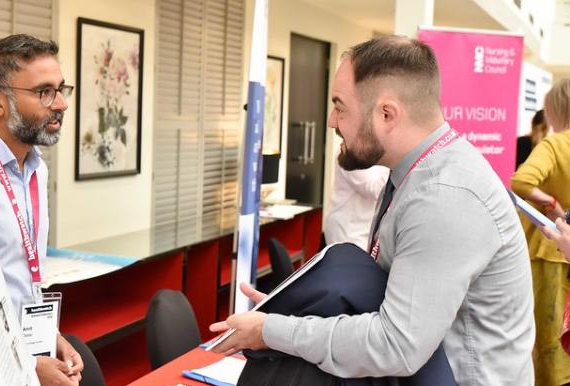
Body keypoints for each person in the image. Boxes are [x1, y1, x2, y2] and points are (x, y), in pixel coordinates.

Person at [210, 36, 535, 386]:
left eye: (340, 107)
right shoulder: (418, 173)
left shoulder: (443, 197)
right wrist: (298, 313)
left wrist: (271, 331)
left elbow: (397, 345)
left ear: (386, 113)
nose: (332, 121)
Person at [0, 34, 83, 386]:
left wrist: (51, 339)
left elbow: (21, 279)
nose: (60, 103)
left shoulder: (35, 166)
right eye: (44, 91)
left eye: (62, 89)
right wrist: (27, 364)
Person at [512, 78, 570, 385]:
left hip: (548, 249)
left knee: (548, 337)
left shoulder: (555, 144)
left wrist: (549, 201)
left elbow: (521, 181)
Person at [323, 146, 388, 250]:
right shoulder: (351, 151)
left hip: (364, 227)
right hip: (349, 231)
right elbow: (374, 190)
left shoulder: (375, 150)